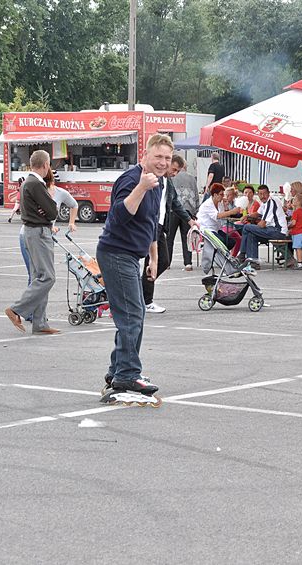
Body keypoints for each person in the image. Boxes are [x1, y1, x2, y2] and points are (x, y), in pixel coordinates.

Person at [97, 134, 174, 400]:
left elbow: (151, 222)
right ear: (146, 154)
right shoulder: (132, 180)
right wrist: (140, 188)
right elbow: (118, 217)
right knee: (131, 315)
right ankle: (127, 375)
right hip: (116, 253)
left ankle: (117, 369)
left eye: (167, 158)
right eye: (159, 157)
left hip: (133, 256)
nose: (163, 162)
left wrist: (153, 258)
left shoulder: (159, 183)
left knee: (135, 312)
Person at [4, 150, 60, 335]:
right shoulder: (36, 183)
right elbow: (52, 211)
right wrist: (48, 208)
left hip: (30, 231)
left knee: (39, 277)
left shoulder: (27, 182)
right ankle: (16, 309)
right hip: (39, 233)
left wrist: (45, 209)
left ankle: (40, 323)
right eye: (49, 165)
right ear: (45, 165)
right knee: (48, 277)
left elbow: (46, 210)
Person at [142, 156, 197, 314]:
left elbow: (175, 203)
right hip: (150, 225)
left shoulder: (168, 182)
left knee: (163, 261)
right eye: (174, 169)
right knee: (153, 261)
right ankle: (145, 300)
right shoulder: (155, 179)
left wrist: (189, 220)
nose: (175, 173)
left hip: (159, 226)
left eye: (178, 171)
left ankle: (141, 293)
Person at [18, 169, 78, 285]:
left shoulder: (60, 193)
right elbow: (31, 214)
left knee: (44, 276)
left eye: (49, 185)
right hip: (31, 234)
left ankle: (32, 303)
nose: (47, 189)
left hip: (46, 236)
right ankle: (26, 303)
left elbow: (74, 205)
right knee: (36, 276)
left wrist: (71, 222)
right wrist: (49, 226)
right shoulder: (35, 190)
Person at [236, 185, 288, 273]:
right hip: (273, 230)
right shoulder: (265, 203)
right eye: (260, 194)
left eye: (264, 194)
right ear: (258, 194)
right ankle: (253, 262)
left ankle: (242, 254)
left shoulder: (270, 202)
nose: (262, 196)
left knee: (247, 227)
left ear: (268, 193)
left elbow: (262, 224)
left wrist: (253, 223)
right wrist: (248, 216)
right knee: (251, 234)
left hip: (277, 231)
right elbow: (258, 213)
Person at [166, 155, 198, 272]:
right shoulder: (191, 178)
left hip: (172, 210)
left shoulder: (170, 176)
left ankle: (167, 262)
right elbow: (195, 195)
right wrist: (195, 212)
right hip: (187, 210)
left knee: (170, 237)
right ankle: (188, 263)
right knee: (186, 237)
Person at [289, 193, 302, 269]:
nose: (293, 201)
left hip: (297, 232)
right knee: (300, 247)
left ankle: (299, 263)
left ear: (298, 202)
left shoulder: (296, 212)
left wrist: (288, 226)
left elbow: (293, 223)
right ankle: (301, 261)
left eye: (295, 199)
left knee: (297, 248)